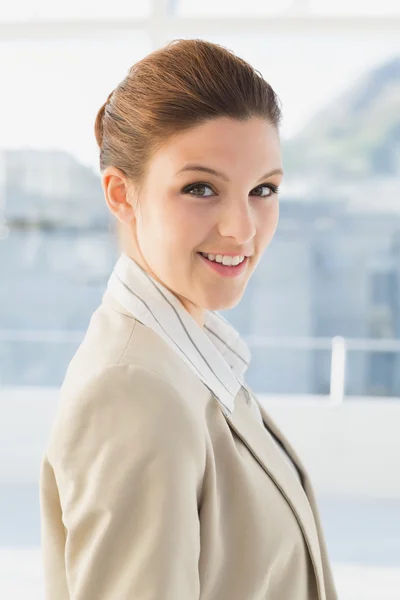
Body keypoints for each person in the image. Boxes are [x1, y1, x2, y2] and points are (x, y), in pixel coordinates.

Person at [39, 38, 338, 600]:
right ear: (122, 194)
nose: (242, 228)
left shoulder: (194, 360)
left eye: (263, 190)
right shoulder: (132, 389)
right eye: (200, 188)